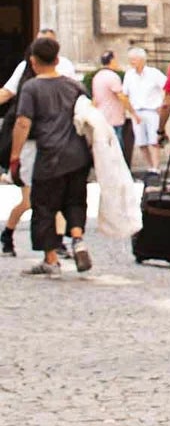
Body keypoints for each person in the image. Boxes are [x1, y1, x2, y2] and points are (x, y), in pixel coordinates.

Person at [8, 34, 91, 275]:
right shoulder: (74, 86)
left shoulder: (31, 87)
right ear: (57, 60)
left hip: (50, 155)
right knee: (75, 200)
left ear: (33, 61)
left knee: (44, 206)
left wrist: (15, 155)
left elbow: (23, 123)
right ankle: (78, 239)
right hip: (78, 155)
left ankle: (51, 259)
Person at [0, 31, 73, 256]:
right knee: (29, 200)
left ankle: (56, 244)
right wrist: (15, 155)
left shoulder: (65, 69)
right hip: (31, 145)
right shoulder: (25, 72)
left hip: (55, 143)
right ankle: (8, 233)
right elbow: (8, 96)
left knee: (56, 196)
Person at [122, 46, 166, 174]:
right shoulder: (129, 75)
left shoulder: (154, 73)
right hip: (137, 111)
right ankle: (150, 165)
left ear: (142, 60)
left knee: (154, 140)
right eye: (130, 59)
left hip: (152, 110)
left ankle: (156, 167)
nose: (132, 62)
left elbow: (166, 86)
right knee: (141, 142)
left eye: (134, 59)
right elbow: (125, 94)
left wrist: (162, 104)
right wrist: (132, 112)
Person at [91, 51, 137, 167]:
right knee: (117, 149)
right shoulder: (112, 77)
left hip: (102, 118)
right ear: (111, 61)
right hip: (114, 118)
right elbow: (121, 96)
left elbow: (95, 99)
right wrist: (133, 112)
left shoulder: (97, 77)